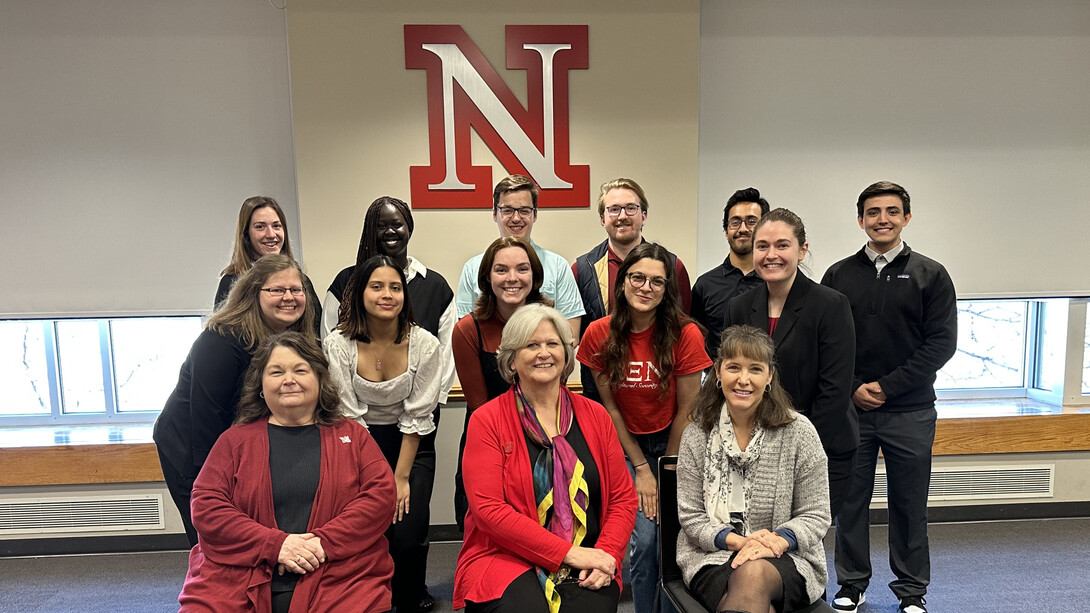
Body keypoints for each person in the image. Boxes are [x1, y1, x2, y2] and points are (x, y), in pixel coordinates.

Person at [179, 332, 396, 613]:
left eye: (300, 370)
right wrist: (275, 545)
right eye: (276, 372)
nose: (289, 379)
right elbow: (207, 507)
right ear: (260, 385)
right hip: (242, 574)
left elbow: (380, 498)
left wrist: (322, 544)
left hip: (338, 574)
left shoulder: (353, 436)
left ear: (320, 379)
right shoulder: (234, 441)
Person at [822, 182, 957, 613]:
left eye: (892, 211)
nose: (883, 219)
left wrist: (887, 387)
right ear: (860, 219)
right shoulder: (839, 275)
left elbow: (941, 344)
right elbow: (828, 343)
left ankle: (912, 591)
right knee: (849, 504)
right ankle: (852, 583)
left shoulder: (930, 274)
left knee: (909, 505)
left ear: (906, 218)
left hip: (911, 411)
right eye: (874, 212)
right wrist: (853, 388)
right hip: (852, 411)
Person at [453, 304, 637, 613]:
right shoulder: (487, 420)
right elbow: (488, 511)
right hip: (506, 557)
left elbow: (622, 499)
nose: (544, 353)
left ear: (565, 355)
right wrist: (568, 554)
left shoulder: (596, 416)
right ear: (511, 359)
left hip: (588, 553)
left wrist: (606, 555)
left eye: (552, 344)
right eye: (531, 345)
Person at [321, 195, 454, 610]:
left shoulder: (424, 343)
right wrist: (378, 478)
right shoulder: (338, 345)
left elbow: (417, 414)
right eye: (376, 287)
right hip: (355, 443)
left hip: (412, 442)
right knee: (365, 525)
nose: (387, 294)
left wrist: (398, 479)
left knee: (407, 527)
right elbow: (347, 413)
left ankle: (410, 595)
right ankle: (365, 594)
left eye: (394, 287)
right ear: (359, 294)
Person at [576, 242, 711, 613]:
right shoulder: (598, 335)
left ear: (667, 289)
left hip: (675, 442)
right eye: (637, 277)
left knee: (673, 537)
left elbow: (687, 410)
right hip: (624, 444)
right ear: (622, 282)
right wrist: (639, 469)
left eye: (656, 281)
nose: (645, 287)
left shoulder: (686, 334)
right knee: (646, 541)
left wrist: (664, 471)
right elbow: (610, 409)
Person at [154, 254, 316, 546]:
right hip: (190, 448)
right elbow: (207, 418)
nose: (288, 297)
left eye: (296, 290)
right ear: (254, 293)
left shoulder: (290, 336)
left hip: (238, 442)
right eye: (277, 290)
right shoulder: (221, 340)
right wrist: (216, 485)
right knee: (213, 536)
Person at [676, 325, 831, 613]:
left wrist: (775, 541)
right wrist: (741, 542)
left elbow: (816, 514)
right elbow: (691, 518)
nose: (743, 380)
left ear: (769, 376)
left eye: (755, 369)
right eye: (734, 367)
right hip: (712, 556)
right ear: (718, 372)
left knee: (754, 574)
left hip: (789, 555)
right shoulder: (697, 435)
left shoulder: (800, 432)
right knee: (753, 587)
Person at [724, 208, 858, 519]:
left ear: (802, 250)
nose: (772, 255)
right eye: (763, 246)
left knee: (800, 539)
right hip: (754, 449)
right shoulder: (739, 306)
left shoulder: (830, 305)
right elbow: (733, 378)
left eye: (782, 245)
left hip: (820, 446)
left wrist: (793, 450)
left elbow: (834, 392)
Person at [451, 237, 554, 529]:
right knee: (488, 525)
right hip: (490, 438)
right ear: (487, 277)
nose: (512, 278)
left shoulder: (550, 321)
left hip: (545, 438)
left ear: (534, 277)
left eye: (522, 269)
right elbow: (479, 408)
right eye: (501, 270)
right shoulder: (468, 330)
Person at [572, 178, 692, 403]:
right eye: (614, 209)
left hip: (657, 395)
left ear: (643, 215)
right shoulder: (581, 270)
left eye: (631, 208)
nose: (622, 216)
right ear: (602, 218)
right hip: (601, 396)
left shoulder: (673, 267)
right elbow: (580, 338)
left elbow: (682, 330)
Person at [455, 174, 584, 337]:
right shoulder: (473, 268)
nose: (516, 218)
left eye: (524, 211)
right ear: (495, 214)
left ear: (534, 215)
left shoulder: (558, 266)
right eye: (507, 210)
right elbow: (466, 332)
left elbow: (570, 333)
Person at [215, 195, 321, 334]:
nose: (271, 234)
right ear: (246, 235)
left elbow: (316, 335)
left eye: (276, 226)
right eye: (260, 227)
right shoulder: (231, 282)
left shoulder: (302, 281)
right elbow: (223, 333)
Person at [691, 187, 769, 360]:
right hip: (717, 382)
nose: (742, 229)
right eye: (735, 222)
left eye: (751, 221)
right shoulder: (705, 285)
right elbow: (695, 340)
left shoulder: (776, 282)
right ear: (726, 231)